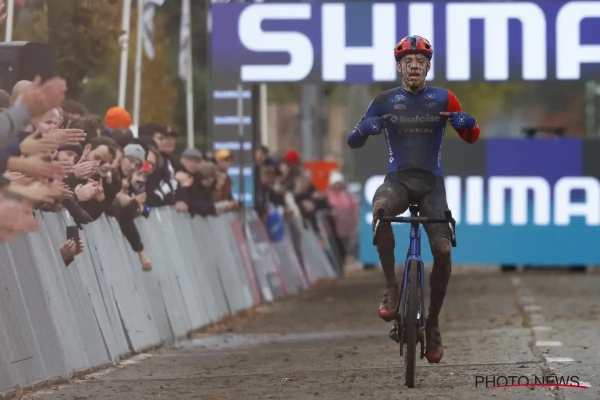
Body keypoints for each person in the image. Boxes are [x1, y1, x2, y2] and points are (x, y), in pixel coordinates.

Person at [346, 35, 480, 364]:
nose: (415, 66)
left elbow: (472, 137)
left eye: (421, 61)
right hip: (398, 181)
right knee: (380, 210)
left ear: (428, 67)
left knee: (443, 251)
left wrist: (468, 123)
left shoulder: (445, 98)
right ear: (399, 67)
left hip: (432, 185)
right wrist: (365, 128)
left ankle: (432, 323)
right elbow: (353, 141)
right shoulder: (384, 100)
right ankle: (392, 286)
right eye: (409, 62)